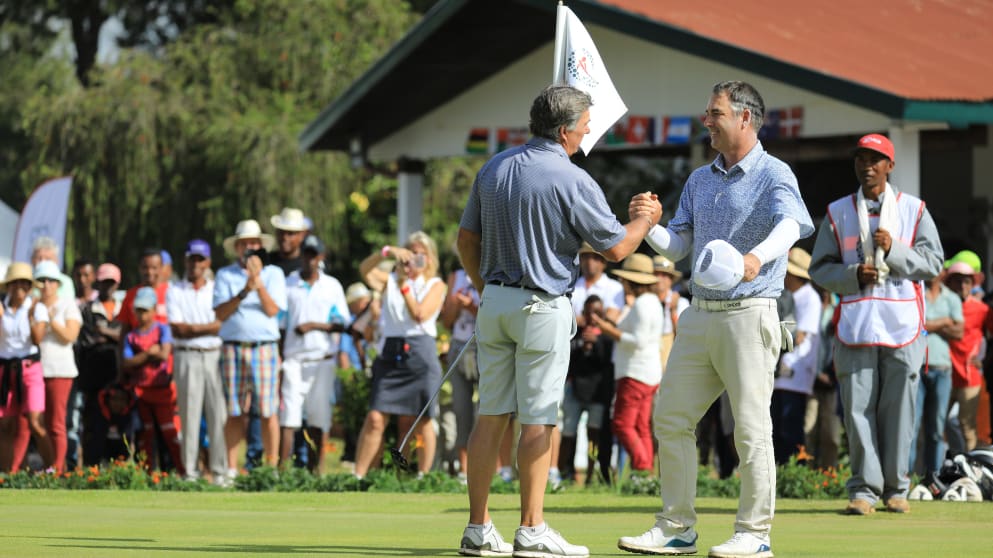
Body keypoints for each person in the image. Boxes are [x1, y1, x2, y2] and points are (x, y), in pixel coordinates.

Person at [456, 84, 661, 558]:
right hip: (541, 307)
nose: (590, 129)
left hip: (496, 302)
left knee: (491, 416)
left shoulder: (494, 167)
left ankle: (478, 528)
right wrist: (646, 220)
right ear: (566, 130)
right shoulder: (572, 178)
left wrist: (485, 288)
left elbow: (467, 239)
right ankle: (531, 528)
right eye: (586, 123)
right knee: (539, 420)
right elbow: (616, 248)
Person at [620, 80, 813, 557]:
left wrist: (757, 256)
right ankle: (676, 527)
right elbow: (681, 246)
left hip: (751, 313)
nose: (706, 120)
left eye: (715, 112)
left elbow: (792, 224)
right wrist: (650, 227)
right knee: (671, 418)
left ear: (745, 118)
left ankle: (755, 534)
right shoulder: (700, 179)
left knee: (750, 428)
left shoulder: (774, 172)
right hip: (700, 314)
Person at [809, 133, 942, 515]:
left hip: (902, 323)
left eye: (875, 159)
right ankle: (864, 492)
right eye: (861, 159)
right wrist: (853, 274)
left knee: (900, 409)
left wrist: (895, 250)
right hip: (858, 322)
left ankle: (897, 488)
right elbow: (820, 268)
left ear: (890, 166)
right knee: (857, 410)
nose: (867, 166)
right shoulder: (838, 211)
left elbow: (933, 263)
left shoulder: (914, 209)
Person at [353, 231, 447, 478]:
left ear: (430, 258)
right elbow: (365, 270)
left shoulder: (435, 285)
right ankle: (358, 476)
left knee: (422, 419)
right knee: (375, 417)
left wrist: (405, 285)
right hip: (391, 351)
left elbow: (420, 314)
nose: (414, 259)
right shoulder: (390, 280)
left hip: (421, 352)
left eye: (421, 255)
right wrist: (387, 252)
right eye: (410, 253)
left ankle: (423, 477)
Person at [214, 219, 287, 476]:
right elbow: (221, 313)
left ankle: (270, 469)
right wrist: (246, 289)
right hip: (233, 348)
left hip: (264, 348)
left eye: (253, 243)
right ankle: (231, 470)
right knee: (234, 410)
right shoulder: (225, 275)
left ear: (260, 246)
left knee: (268, 411)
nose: (249, 247)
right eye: (244, 243)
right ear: (237, 247)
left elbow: (273, 311)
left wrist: (259, 281)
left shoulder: (274, 274)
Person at [278, 234, 350, 474]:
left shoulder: (332, 286)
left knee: (320, 417)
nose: (309, 260)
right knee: (289, 416)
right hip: (294, 360)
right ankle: (282, 470)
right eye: (306, 254)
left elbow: (342, 323)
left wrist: (314, 325)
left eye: (313, 255)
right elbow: (280, 324)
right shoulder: (288, 284)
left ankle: (316, 470)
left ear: (321, 257)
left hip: (322, 360)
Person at [593, 253, 663, 474]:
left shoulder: (642, 305)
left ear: (631, 281)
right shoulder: (650, 302)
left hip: (635, 373)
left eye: (624, 280)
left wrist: (607, 330)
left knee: (622, 424)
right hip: (648, 373)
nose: (622, 283)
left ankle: (642, 468)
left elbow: (638, 341)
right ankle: (646, 473)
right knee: (641, 427)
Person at [166, 239, 227, 482]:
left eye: (200, 259)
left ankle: (220, 472)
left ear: (208, 262)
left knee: (218, 416)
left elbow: (221, 325)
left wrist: (195, 328)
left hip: (214, 355)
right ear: (186, 260)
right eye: (192, 259)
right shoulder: (175, 290)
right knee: (189, 417)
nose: (195, 264)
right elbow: (179, 330)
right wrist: (208, 328)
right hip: (187, 356)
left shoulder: (216, 289)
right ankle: (190, 472)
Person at [22, 261, 81, 474]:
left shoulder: (67, 305)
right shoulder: (31, 305)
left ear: (58, 284)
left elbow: (70, 336)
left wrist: (50, 319)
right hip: (35, 370)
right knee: (37, 423)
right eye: (42, 281)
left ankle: (58, 470)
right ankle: (50, 466)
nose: (46, 285)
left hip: (60, 370)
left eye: (51, 281)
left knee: (56, 423)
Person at [121, 286, 183, 473]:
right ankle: (147, 476)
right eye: (138, 311)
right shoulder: (131, 336)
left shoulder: (163, 330)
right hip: (141, 393)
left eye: (145, 310)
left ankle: (180, 472)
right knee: (145, 437)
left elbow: (164, 354)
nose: (142, 315)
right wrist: (149, 353)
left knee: (169, 435)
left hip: (163, 392)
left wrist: (140, 358)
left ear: (155, 310)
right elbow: (127, 362)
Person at [0, 263, 54, 472]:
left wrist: (31, 317)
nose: (19, 287)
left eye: (24, 283)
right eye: (15, 283)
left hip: (29, 368)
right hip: (5, 370)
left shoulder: (36, 308)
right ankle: (6, 475)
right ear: (9, 286)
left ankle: (51, 470)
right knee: (5, 425)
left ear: (30, 286)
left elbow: (37, 339)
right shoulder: (2, 307)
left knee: (35, 422)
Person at [908, 272, 962, 475]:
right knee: (911, 427)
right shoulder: (915, 290)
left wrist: (930, 325)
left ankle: (934, 477)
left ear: (943, 273)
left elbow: (959, 332)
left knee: (936, 429)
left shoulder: (952, 298)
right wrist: (944, 322)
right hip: (917, 367)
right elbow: (914, 324)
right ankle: (906, 478)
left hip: (941, 370)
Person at [770, 248, 821, 465]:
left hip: (797, 372)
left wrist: (775, 338)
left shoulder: (810, 298)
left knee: (791, 428)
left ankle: (797, 470)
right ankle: (781, 473)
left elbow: (800, 336)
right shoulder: (787, 296)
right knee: (777, 428)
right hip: (780, 371)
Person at [77, 263, 124, 466]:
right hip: (94, 378)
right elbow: (87, 340)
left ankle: (120, 465)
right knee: (94, 426)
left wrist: (106, 333)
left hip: (119, 376)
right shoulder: (87, 309)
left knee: (120, 425)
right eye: (104, 282)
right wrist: (116, 336)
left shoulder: (124, 309)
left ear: (117, 283)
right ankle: (92, 468)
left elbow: (128, 338)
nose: (108, 286)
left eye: (111, 282)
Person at [944, 260, 993, 454]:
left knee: (968, 427)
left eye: (967, 282)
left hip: (969, 375)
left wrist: (983, 358)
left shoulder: (982, 309)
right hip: (945, 374)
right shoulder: (942, 304)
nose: (962, 286)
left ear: (973, 284)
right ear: (949, 283)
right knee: (936, 426)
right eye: (958, 282)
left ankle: (971, 471)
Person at [565, 295, 614, 484]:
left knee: (593, 435)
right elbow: (569, 362)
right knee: (568, 433)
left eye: (598, 313)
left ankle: (591, 477)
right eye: (589, 312)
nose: (593, 317)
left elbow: (606, 361)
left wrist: (596, 342)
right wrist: (582, 346)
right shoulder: (574, 333)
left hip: (597, 393)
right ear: (583, 313)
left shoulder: (608, 336)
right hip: (575, 390)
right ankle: (566, 472)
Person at [439, 265, 480, 482]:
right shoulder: (455, 276)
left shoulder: (493, 268)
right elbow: (447, 322)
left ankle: (492, 470)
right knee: (461, 410)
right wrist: (454, 304)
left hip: (486, 345)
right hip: (458, 345)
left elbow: (496, 315)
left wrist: (472, 307)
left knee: (488, 412)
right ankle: (464, 471)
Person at [117, 248, 169, 334]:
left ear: (161, 268)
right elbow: (125, 331)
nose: (149, 272)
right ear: (139, 268)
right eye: (145, 267)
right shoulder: (130, 295)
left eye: (154, 268)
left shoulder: (171, 293)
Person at [653, 255, 688, 370]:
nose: (660, 278)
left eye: (665, 275)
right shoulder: (644, 300)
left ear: (671, 279)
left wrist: (673, 310)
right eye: (656, 274)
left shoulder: (681, 302)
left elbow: (683, 336)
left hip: (670, 354)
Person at [269, 207, 311, 276]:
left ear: (301, 236)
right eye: (281, 232)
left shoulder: (306, 265)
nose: (284, 237)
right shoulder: (267, 262)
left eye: (290, 233)